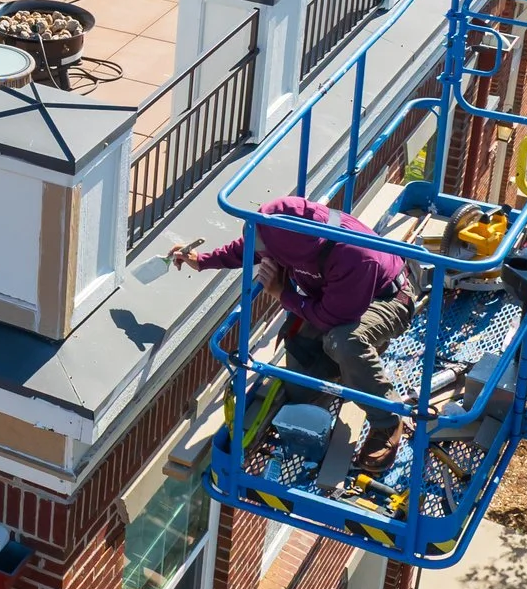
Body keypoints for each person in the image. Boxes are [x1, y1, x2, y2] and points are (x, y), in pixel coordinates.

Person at [170, 194, 419, 464]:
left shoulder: (355, 255)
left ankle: (387, 419)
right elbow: (249, 247)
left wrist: (282, 294)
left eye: (268, 253)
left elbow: (331, 318)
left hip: (385, 300)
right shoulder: (287, 230)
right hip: (333, 299)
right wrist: (202, 260)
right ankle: (347, 372)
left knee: (344, 341)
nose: (261, 254)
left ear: (290, 252)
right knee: (300, 380)